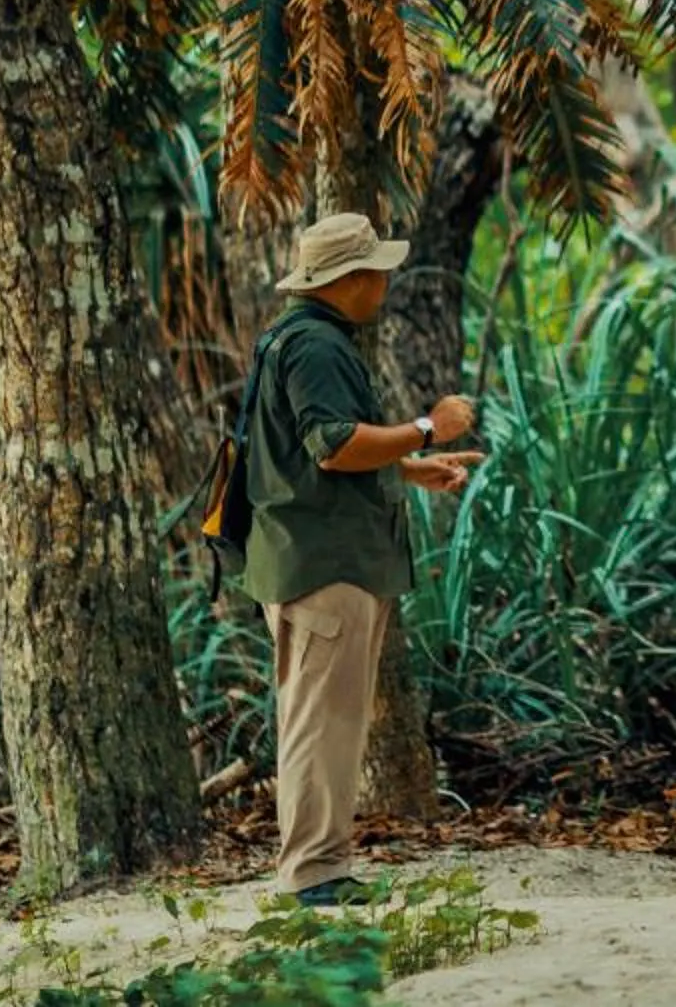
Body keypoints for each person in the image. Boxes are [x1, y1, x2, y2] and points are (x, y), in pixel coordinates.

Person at [245, 212, 485, 907]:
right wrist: (425, 426)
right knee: (321, 719)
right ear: (348, 279)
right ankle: (314, 876)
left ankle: (318, 869)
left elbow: (311, 454)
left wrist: (410, 467)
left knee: (326, 716)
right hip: (324, 564)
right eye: (375, 269)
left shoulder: (305, 339)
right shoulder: (316, 346)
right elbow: (331, 445)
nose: (384, 279)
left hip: (319, 556)